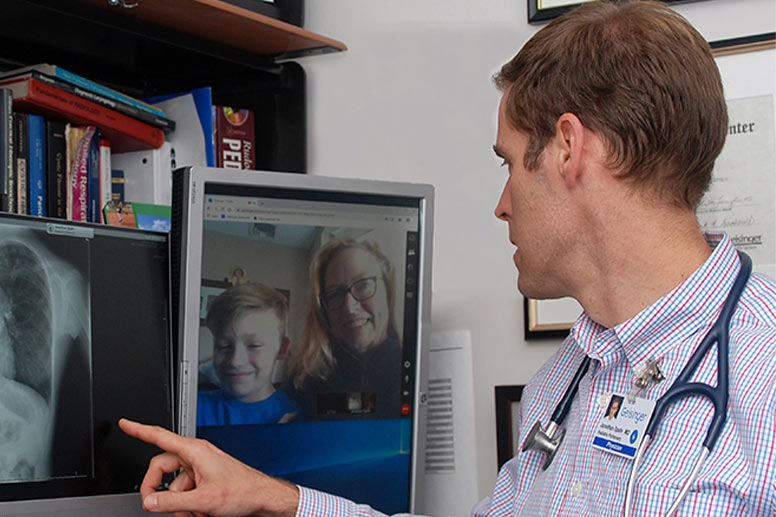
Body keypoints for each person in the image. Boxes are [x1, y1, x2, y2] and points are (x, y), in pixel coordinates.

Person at [119, 1, 776, 515]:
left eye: (509, 163)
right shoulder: (569, 376)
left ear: (568, 149)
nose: (502, 205)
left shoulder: (764, 375)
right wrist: (273, 498)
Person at [289, 237, 402, 419]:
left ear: (388, 292)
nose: (349, 307)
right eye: (335, 294)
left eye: (364, 285)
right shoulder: (303, 384)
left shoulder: (415, 370)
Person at [196, 283, 300, 426]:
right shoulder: (192, 407)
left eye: (254, 346)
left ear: (282, 349)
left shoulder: (295, 418)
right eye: (223, 346)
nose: (235, 361)